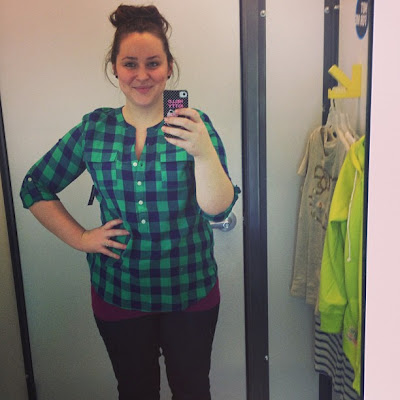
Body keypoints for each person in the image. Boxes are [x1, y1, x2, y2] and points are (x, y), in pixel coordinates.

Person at [20, 4, 240, 400]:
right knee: (135, 391)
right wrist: (81, 238)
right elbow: (35, 186)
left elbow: (219, 209)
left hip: (189, 289)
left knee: (192, 389)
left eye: (153, 63)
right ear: (115, 69)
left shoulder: (194, 127)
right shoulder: (94, 129)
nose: (142, 75)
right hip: (119, 290)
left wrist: (204, 152)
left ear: (169, 68)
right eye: (130, 64)